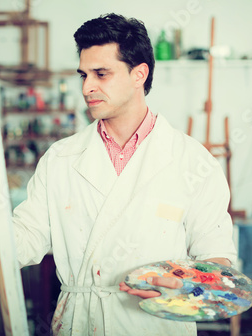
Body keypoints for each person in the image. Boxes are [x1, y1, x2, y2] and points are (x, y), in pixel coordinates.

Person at [12, 13, 237, 335]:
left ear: (139, 74)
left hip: (156, 322)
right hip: (79, 321)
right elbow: (26, 238)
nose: (88, 87)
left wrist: (182, 285)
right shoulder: (60, 158)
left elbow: (216, 257)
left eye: (101, 74)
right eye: (84, 75)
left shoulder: (192, 161)